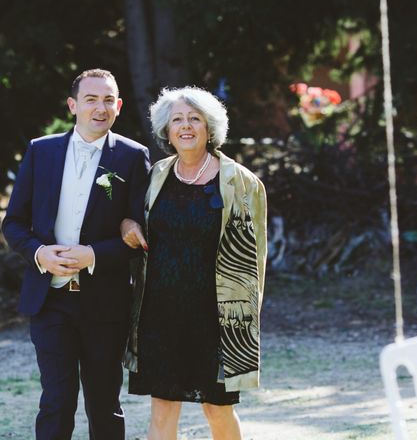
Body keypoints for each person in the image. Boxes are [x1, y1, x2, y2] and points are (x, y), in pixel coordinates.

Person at [2, 68, 150, 439]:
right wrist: (39, 254)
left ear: (118, 106)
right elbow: (14, 223)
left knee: (104, 404)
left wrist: (94, 255)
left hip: (106, 303)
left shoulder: (133, 157)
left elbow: (141, 236)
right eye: (90, 99)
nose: (100, 107)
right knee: (56, 400)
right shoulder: (41, 151)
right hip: (49, 300)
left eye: (107, 100)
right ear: (73, 105)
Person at [121, 86, 267, 440]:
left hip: (214, 317)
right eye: (177, 120)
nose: (186, 127)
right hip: (160, 312)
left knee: (217, 412)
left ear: (209, 127)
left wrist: (245, 321)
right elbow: (132, 219)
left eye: (194, 119)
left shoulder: (241, 182)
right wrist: (128, 225)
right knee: (163, 411)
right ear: (166, 130)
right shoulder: (155, 176)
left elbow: (255, 260)